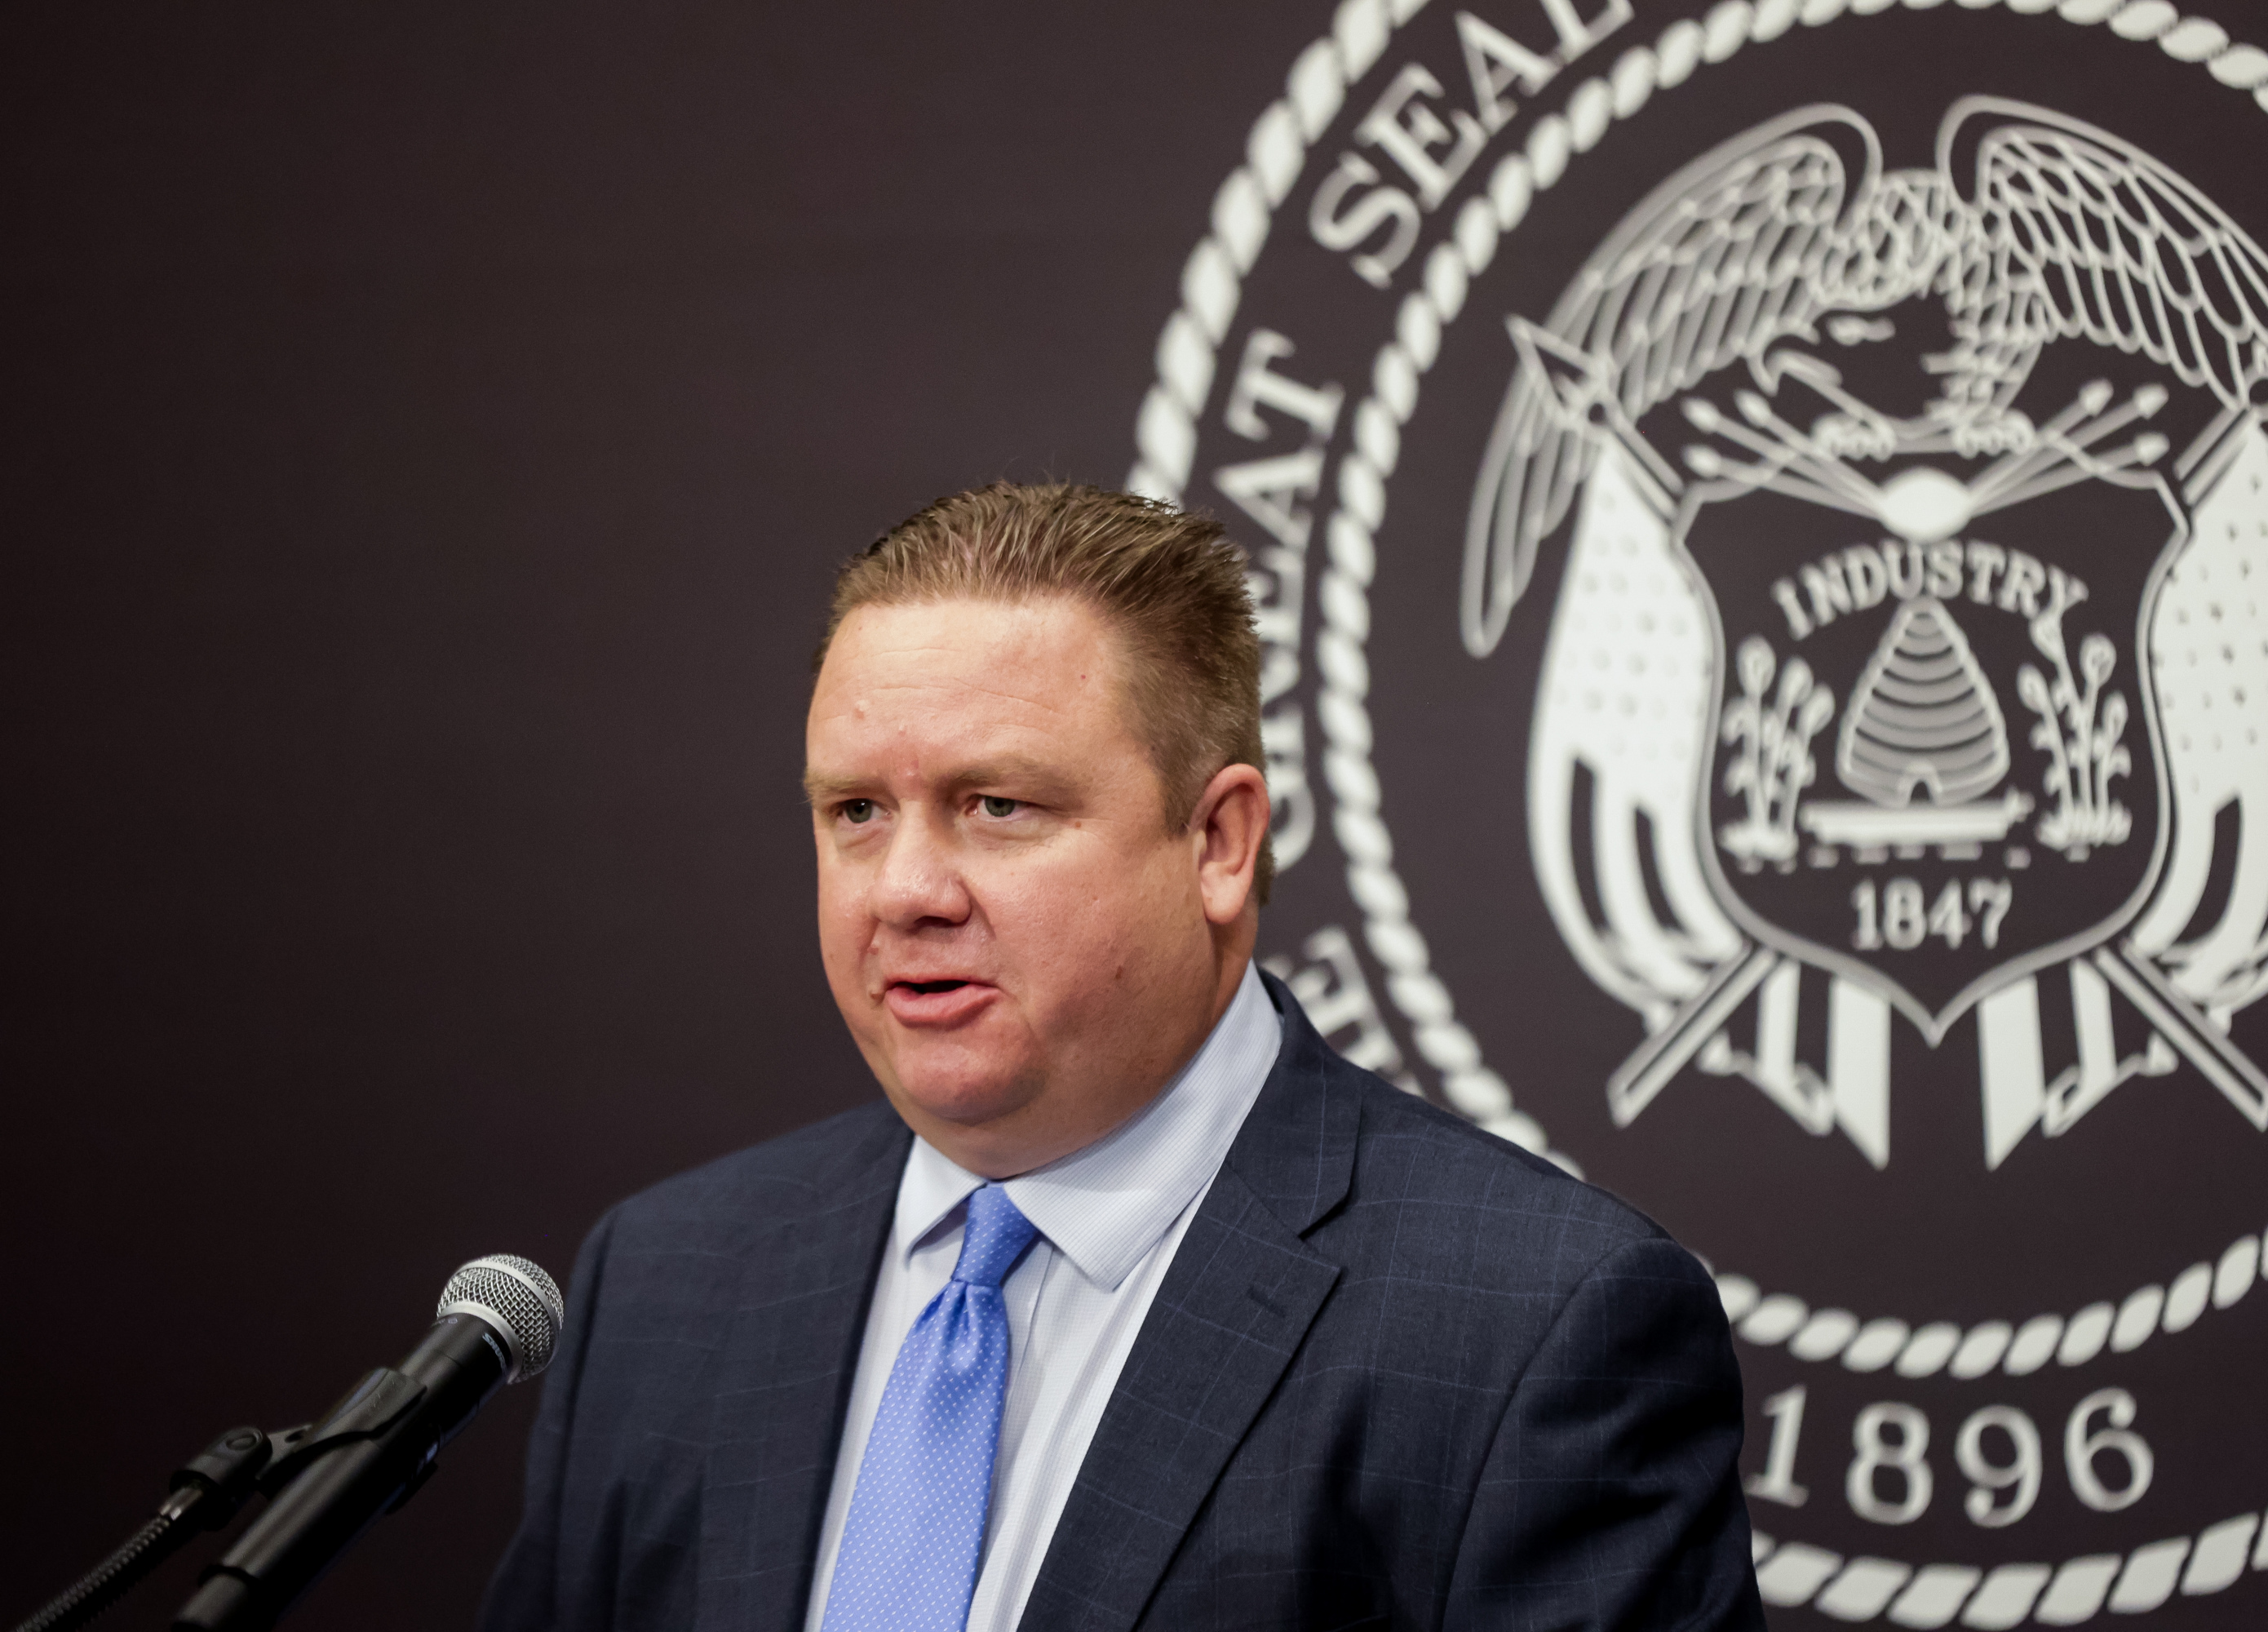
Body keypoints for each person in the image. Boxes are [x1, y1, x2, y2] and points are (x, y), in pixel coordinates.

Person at [479, 482, 1764, 1632]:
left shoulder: (1533, 1326)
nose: (905, 891)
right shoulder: (669, 1280)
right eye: (856, 811)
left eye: (998, 806)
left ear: (1219, 844)